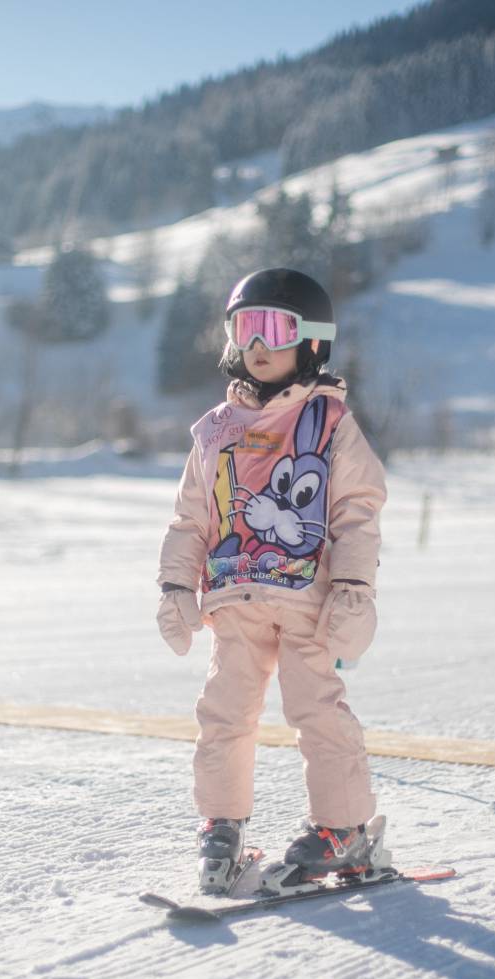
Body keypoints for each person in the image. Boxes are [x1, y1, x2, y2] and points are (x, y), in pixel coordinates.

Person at [156, 267, 388, 894]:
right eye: (244, 326)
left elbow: (358, 513)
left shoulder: (330, 424)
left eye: (275, 327)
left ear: (311, 340)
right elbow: (189, 519)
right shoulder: (214, 432)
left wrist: (353, 590)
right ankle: (221, 826)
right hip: (234, 599)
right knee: (224, 715)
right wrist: (176, 588)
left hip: (307, 599)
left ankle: (345, 831)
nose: (257, 343)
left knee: (317, 708)